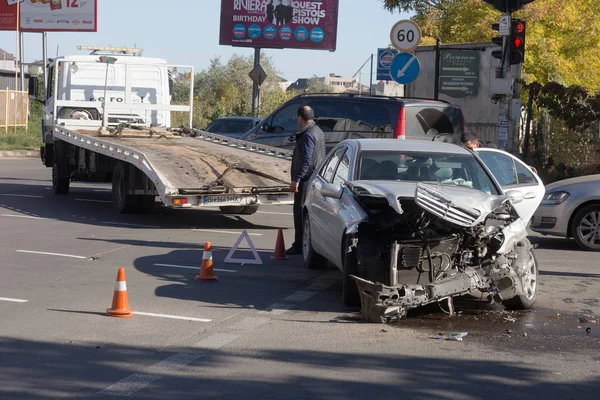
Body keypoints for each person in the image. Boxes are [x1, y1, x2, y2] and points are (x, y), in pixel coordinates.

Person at [287, 105, 326, 255]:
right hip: (315, 177)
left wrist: (297, 179)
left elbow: (306, 161)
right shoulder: (318, 131)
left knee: (299, 212)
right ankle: (305, 245)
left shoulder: (308, 134)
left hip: (306, 180)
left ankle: (299, 245)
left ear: (300, 118)